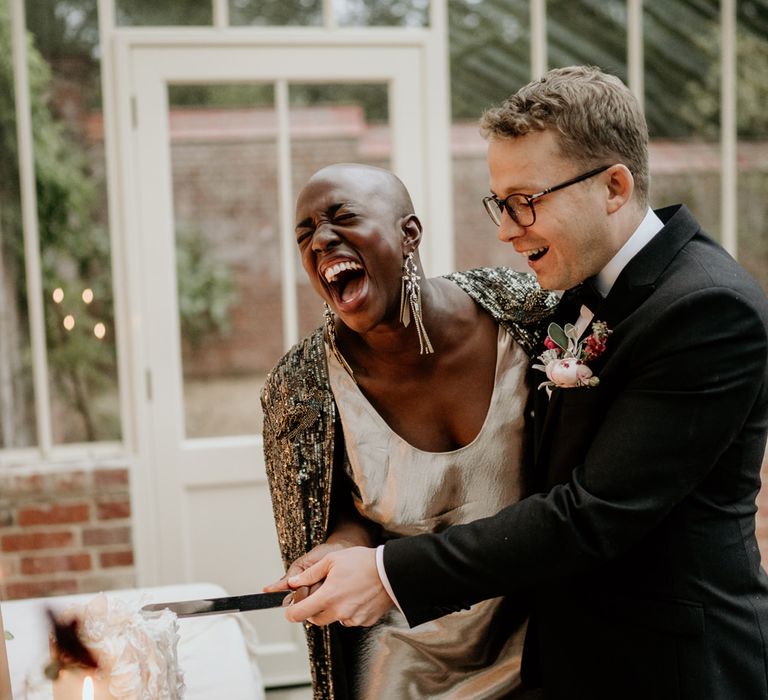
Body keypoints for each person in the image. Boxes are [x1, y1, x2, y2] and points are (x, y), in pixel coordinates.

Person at [283, 66, 768, 699]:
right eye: (499, 204)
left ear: (614, 187)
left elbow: (591, 517)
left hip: (670, 666)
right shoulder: (576, 289)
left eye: (524, 202)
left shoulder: (707, 309)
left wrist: (386, 573)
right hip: (565, 658)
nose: (507, 230)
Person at [261, 162, 556, 699]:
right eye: (305, 233)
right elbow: (344, 519)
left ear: (409, 234)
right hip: (408, 652)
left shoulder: (526, 318)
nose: (321, 239)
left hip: (549, 628)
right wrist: (333, 549)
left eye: (341, 217)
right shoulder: (300, 387)